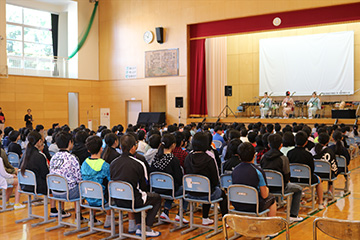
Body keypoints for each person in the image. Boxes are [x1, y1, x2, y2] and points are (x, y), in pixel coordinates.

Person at [110, 135, 161, 237]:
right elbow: (143, 186)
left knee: (138, 195)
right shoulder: (139, 163)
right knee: (157, 198)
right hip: (133, 200)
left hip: (117, 200)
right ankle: (146, 227)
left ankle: (138, 226)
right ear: (133, 147)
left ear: (120, 147)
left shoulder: (113, 163)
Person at [184, 132, 228, 226]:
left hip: (190, 192)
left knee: (207, 187)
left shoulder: (188, 158)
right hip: (207, 193)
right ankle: (225, 220)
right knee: (221, 194)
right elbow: (215, 179)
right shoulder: (209, 159)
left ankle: (205, 218)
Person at [20, 131, 66, 217]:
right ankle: (55, 210)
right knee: (57, 183)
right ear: (39, 142)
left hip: (25, 185)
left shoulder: (24, 155)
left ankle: (56, 210)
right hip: (37, 186)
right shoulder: (40, 156)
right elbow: (46, 174)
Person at [260, 133, 303, 222]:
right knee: (298, 189)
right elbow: (287, 176)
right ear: (281, 145)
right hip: (281, 188)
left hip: (266, 188)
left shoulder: (263, 157)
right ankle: (293, 215)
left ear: (268, 145)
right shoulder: (283, 158)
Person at [150, 133, 189, 223]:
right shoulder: (173, 159)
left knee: (170, 186)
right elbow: (179, 179)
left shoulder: (156, 157)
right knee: (185, 188)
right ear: (173, 145)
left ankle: (166, 212)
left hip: (156, 189)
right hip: (170, 190)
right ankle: (180, 214)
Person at [49, 132, 88, 221]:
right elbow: (78, 178)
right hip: (68, 192)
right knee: (79, 186)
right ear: (70, 143)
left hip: (54, 191)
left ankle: (62, 211)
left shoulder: (53, 157)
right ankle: (79, 216)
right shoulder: (71, 158)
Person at [232, 142, 276, 216]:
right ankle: (270, 225)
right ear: (254, 155)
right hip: (254, 205)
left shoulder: (235, 170)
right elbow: (264, 195)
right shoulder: (258, 171)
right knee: (272, 198)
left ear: (239, 156)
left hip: (237, 204)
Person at [287, 131, 325, 209]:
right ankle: (321, 202)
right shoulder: (308, 154)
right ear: (306, 142)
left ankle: (297, 200)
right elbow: (312, 169)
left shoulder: (289, 153)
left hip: (292, 178)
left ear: (295, 140)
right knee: (319, 179)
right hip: (307, 179)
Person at [81, 135, 112, 227]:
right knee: (108, 186)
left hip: (87, 197)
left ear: (88, 150)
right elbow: (111, 182)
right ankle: (109, 219)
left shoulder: (84, 164)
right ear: (101, 149)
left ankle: (92, 218)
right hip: (103, 200)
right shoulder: (105, 165)